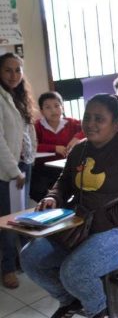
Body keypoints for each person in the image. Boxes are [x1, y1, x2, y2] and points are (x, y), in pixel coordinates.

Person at [20, 94, 118, 318]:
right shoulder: (80, 149)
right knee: (30, 258)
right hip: (83, 222)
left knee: (74, 272)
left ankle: (98, 310)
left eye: (99, 119)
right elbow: (64, 182)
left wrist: (107, 219)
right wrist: (54, 197)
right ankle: (70, 300)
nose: (90, 124)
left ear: (115, 122)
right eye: (87, 117)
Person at [0, 52, 37, 289]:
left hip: (25, 163)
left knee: (21, 216)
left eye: (18, 70)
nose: (14, 75)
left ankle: (22, 261)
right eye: (8, 70)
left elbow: (27, 132)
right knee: (7, 221)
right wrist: (15, 171)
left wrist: (29, 160)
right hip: (7, 171)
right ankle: (8, 268)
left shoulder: (19, 96)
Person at [32, 91, 83, 201]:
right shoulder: (37, 126)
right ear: (42, 111)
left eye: (56, 106)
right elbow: (32, 146)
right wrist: (55, 148)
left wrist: (76, 138)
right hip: (44, 169)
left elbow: (87, 129)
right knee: (38, 191)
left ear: (62, 107)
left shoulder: (72, 123)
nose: (54, 110)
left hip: (67, 167)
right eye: (48, 107)